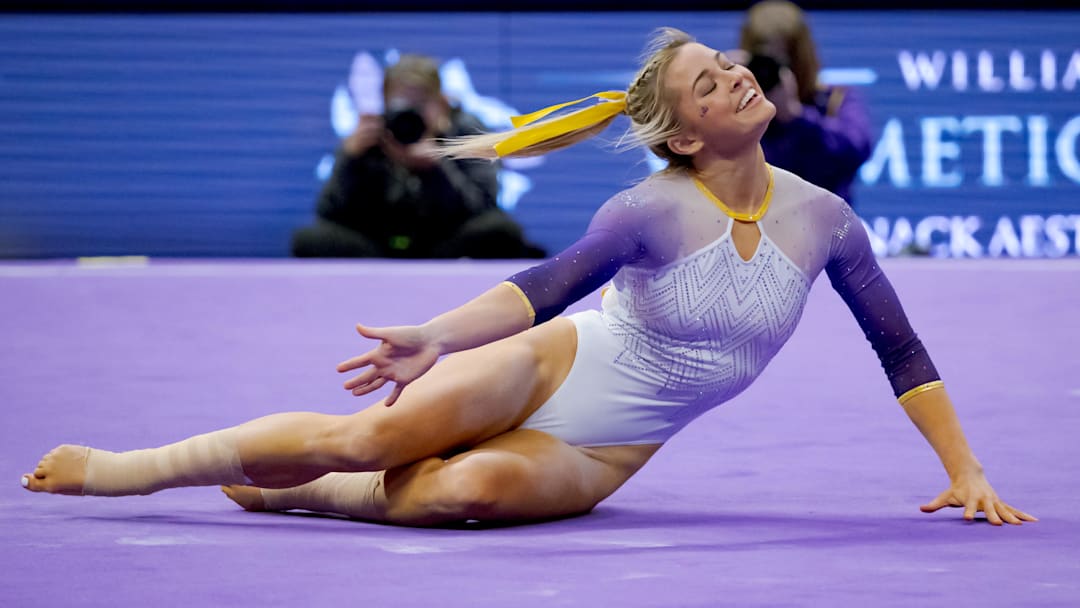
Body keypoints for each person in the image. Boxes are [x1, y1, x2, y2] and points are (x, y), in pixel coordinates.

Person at [23, 28, 1033, 528]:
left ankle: (315, 494)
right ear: (684, 135)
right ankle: (130, 467)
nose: (737, 72)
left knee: (450, 497)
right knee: (376, 431)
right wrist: (435, 337)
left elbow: (900, 348)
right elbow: (543, 289)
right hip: (554, 364)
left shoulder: (828, 221)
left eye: (731, 65)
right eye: (710, 80)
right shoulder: (647, 212)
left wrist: (966, 467)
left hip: (612, 447)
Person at [291, 53, 545, 259]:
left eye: (421, 103)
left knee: (501, 232)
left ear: (442, 103)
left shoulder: (466, 132)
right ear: (385, 102)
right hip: (377, 245)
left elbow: (484, 207)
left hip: (444, 243)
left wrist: (436, 168)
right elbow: (329, 212)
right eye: (401, 103)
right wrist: (350, 159)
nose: (411, 113)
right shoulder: (369, 137)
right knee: (309, 239)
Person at [737, 0, 872, 205]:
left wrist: (796, 116)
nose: (773, 72)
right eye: (763, 62)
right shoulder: (735, 110)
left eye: (782, 61)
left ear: (801, 58)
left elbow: (856, 151)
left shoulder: (835, 101)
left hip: (827, 232)